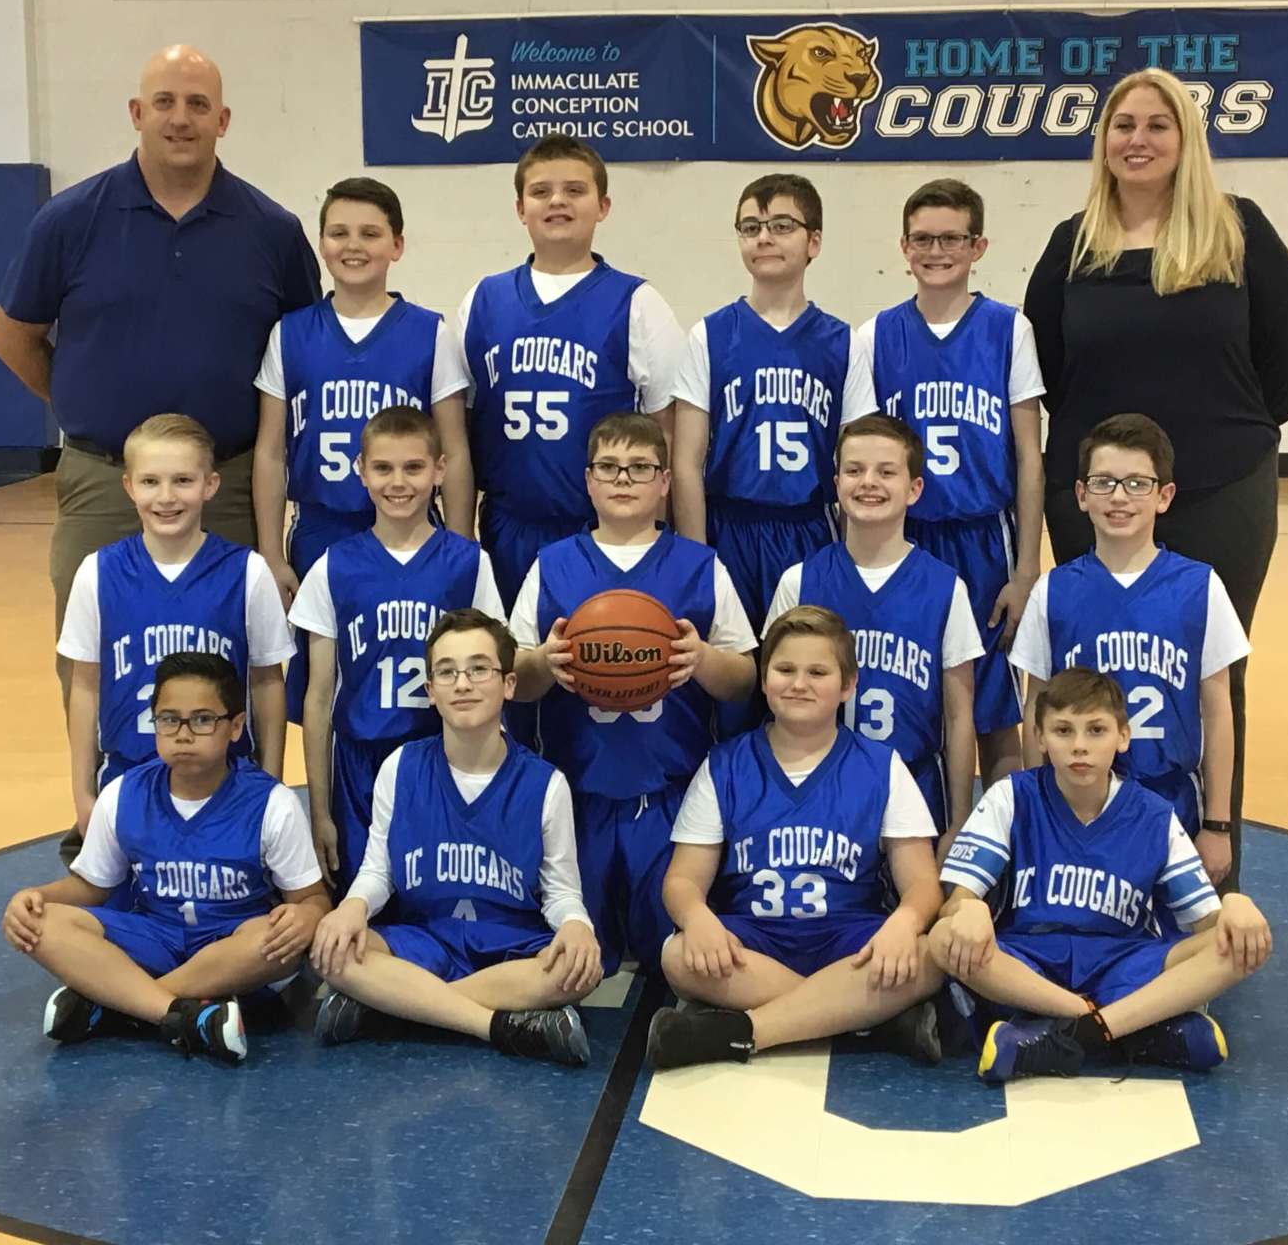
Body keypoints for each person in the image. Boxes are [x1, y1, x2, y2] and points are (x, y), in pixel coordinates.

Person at [1022, 67, 1288, 886]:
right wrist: (1103, 471)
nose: (1137, 139)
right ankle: (1091, 876)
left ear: (1186, 140)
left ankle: (1209, 870)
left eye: (1157, 125)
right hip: (1099, 495)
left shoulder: (1236, 231)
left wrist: (1224, 435)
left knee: (1211, 675)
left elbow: (1282, 370)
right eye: (1122, 125)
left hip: (1221, 488)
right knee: (1093, 679)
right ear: (1102, 142)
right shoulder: (1073, 245)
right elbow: (1043, 368)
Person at [0, 44, 321, 666]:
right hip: (104, 483)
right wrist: (79, 403)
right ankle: (104, 771)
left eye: (199, 104)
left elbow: (303, 351)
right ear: (137, 113)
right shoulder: (68, 221)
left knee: (232, 668)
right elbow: (13, 336)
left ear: (223, 121)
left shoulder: (271, 230)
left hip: (228, 486)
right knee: (97, 664)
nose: (180, 118)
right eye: (164, 102)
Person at [931, 667, 1272, 1082]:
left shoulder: (1153, 814)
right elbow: (957, 899)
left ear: (1122, 737)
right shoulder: (1012, 796)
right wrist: (968, 908)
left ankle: (1063, 1035)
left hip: (1123, 963)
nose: (1079, 747)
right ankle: (1129, 1029)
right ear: (1039, 738)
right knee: (943, 938)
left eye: (1096, 730)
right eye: (1062, 731)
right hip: (1031, 962)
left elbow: (1209, 923)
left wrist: (1237, 904)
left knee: (1238, 945)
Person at [644, 605, 946, 1070]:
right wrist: (698, 917)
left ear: (848, 685)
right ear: (764, 680)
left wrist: (904, 924)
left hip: (851, 939)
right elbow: (682, 880)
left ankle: (737, 1031)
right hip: (753, 941)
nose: (799, 683)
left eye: (817, 672)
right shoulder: (725, 764)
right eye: (784, 670)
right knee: (680, 954)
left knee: (930, 953)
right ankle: (871, 1019)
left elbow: (923, 885)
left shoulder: (882, 765)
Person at [512, 413, 758, 975]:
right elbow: (516, 681)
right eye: (610, 468)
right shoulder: (551, 565)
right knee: (578, 957)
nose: (624, 480)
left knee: (673, 955)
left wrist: (702, 661)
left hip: (671, 792)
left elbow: (745, 677)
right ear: (588, 480)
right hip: (580, 794)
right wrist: (545, 665)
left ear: (665, 483)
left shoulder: (702, 566)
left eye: (641, 469)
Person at [1, 651, 329, 1065]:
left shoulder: (272, 804)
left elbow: (312, 898)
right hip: (155, 936)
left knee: (278, 943)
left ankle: (119, 1002)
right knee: (43, 923)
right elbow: (90, 887)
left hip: (231, 946)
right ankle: (177, 1014)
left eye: (203, 719)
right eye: (169, 719)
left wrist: (307, 916)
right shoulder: (123, 793)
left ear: (236, 726)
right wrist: (34, 897)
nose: (184, 733)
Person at [307, 610, 602, 1067]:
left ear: (508, 684)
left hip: (509, 946)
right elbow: (378, 869)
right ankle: (498, 1025)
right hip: (424, 940)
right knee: (335, 954)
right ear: (431, 691)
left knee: (580, 970)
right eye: (446, 671)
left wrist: (576, 926)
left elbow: (561, 891)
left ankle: (395, 1011)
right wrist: (351, 907)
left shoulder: (546, 784)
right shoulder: (400, 768)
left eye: (478, 668)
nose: (462, 683)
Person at [252, 176, 474, 726]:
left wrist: (464, 542)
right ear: (321, 243)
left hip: (414, 531)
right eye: (339, 232)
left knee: (423, 675)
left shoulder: (431, 332)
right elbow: (271, 453)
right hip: (322, 533)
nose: (354, 246)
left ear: (396, 245)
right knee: (325, 688)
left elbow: (457, 451)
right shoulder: (291, 333)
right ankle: (329, 802)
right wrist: (272, 555)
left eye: (371, 233)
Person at [1008, 414, 1249, 883]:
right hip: (1078, 801)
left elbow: (1219, 711)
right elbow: (1036, 706)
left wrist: (1218, 824)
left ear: (1164, 496)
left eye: (1137, 483)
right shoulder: (1053, 591)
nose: (1119, 497)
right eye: (1103, 483)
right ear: (1081, 495)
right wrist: (1036, 807)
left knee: (1175, 946)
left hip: (1169, 801)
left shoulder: (1200, 587)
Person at [860, 178, 1044, 786]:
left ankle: (994, 855)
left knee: (994, 712)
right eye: (923, 239)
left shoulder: (1008, 329)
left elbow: (1028, 458)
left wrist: (1025, 571)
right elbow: (861, 455)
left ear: (978, 246)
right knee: (911, 694)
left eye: (951, 238)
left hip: (983, 541)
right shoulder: (876, 335)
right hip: (904, 541)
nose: (936, 251)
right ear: (903, 247)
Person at [457, 132, 685, 614]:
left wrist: (658, 538)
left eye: (575, 191)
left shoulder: (639, 302)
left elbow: (668, 435)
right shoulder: (481, 301)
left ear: (603, 206)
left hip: (603, 533)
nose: (557, 201)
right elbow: (457, 431)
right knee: (511, 675)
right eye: (541, 191)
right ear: (520, 208)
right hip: (506, 526)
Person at [288, 407, 504, 892]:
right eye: (383, 468)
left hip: (444, 759)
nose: (398, 482)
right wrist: (319, 810)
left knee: (440, 901)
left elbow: (492, 680)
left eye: (413, 467)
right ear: (360, 471)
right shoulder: (332, 567)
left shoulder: (469, 563)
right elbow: (319, 698)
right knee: (365, 910)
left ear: (440, 470)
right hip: (359, 766)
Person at [56, 414, 294, 842]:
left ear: (211, 485)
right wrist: (83, 795)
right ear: (128, 486)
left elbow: (266, 683)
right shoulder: (96, 573)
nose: (166, 497)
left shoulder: (247, 572)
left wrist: (270, 784)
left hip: (227, 786)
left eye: (183, 480)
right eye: (150, 482)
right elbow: (86, 687)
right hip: (127, 783)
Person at [766, 415, 981, 851]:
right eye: (854, 470)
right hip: (819, 787)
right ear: (836, 481)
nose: (868, 483)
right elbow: (773, 701)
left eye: (886, 472)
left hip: (916, 786)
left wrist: (958, 821)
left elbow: (959, 717)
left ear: (914, 489)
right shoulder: (799, 581)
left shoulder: (945, 588)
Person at [671, 173, 875, 622]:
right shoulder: (710, 335)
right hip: (729, 528)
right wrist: (693, 561)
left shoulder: (845, 342)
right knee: (733, 677)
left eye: (782, 225)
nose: (763, 238)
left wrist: (854, 559)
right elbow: (686, 461)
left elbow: (859, 463)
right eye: (750, 227)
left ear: (814, 241)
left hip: (810, 527)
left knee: (806, 674)